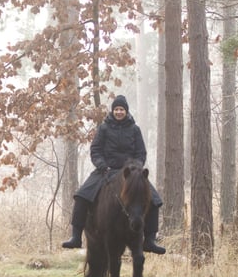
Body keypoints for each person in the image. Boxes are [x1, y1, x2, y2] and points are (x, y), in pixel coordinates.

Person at [61, 95, 166, 254]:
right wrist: (103, 166)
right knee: (82, 195)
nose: (118, 112)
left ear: (126, 111)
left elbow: (141, 153)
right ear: (112, 111)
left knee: (155, 199)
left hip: (130, 173)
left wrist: (135, 168)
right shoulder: (103, 128)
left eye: (121, 109)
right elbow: (95, 150)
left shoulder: (135, 129)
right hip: (106, 170)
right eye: (116, 109)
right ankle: (75, 236)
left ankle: (150, 240)